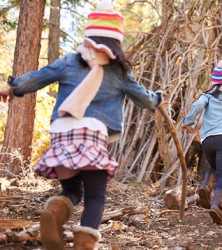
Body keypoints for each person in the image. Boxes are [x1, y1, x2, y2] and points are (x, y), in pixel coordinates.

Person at [0, 1, 165, 249]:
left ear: (89, 35)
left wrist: (13, 89)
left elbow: (40, 76)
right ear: (115, 41)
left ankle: (55, 211)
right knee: (96, 195)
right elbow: (142, 97)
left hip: (63, 136)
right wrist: (157, 100)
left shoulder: (69, 62)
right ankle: (84, 244)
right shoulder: (119, 72)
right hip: (92, 137)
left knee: (72, 191)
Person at [181, 60, 222, 224]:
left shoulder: (208, 95)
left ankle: (205, 188)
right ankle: (216, 205)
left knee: (215, 168)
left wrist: (187, 121)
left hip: (207, 140)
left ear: (215, 80)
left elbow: (197, 106)